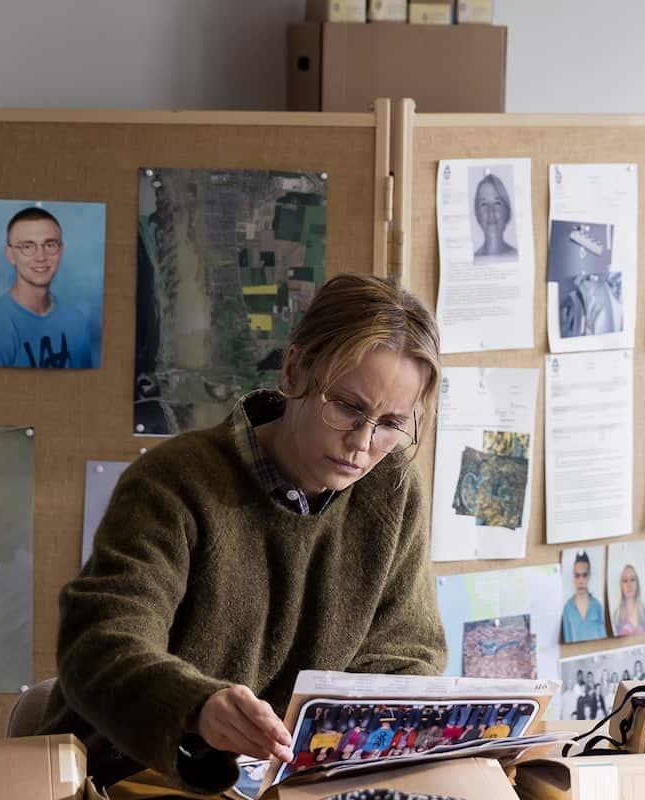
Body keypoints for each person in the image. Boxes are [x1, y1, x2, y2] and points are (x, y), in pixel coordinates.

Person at [40, 274, 448, 796]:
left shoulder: (392, 490)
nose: (363, 444)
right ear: (294, 369)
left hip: (289, 786)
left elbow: (405, 656)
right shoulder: (174, 481)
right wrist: (197, 707)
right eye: (347, 406)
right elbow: (98, 645)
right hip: (128, 773)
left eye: (391, 423)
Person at [0, 207, 97, 368]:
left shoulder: (76, 321)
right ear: (10, 255)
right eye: (27, 247)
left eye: (50, 245)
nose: (41, 257)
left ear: (61, 251)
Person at [472, 173, 518, 263]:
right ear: (477, 213)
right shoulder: (472, 260)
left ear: (506, 211)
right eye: (484, 204)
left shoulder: (518, 257)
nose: (491, 212)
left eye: (497, 203)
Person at [562, 552, 607, 642]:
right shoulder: (567, 608)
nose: (580, 581)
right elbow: (567, 641)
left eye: (584, 575)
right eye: (577, 576)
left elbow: (603, 641)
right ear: (573, 577)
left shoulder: (597, 606)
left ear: (589, 576)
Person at [611, 564, 645, 636]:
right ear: (621, 586)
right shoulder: (616, 617)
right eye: (625, 580)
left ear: (637, 584)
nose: (629, 585)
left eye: (632, 579)